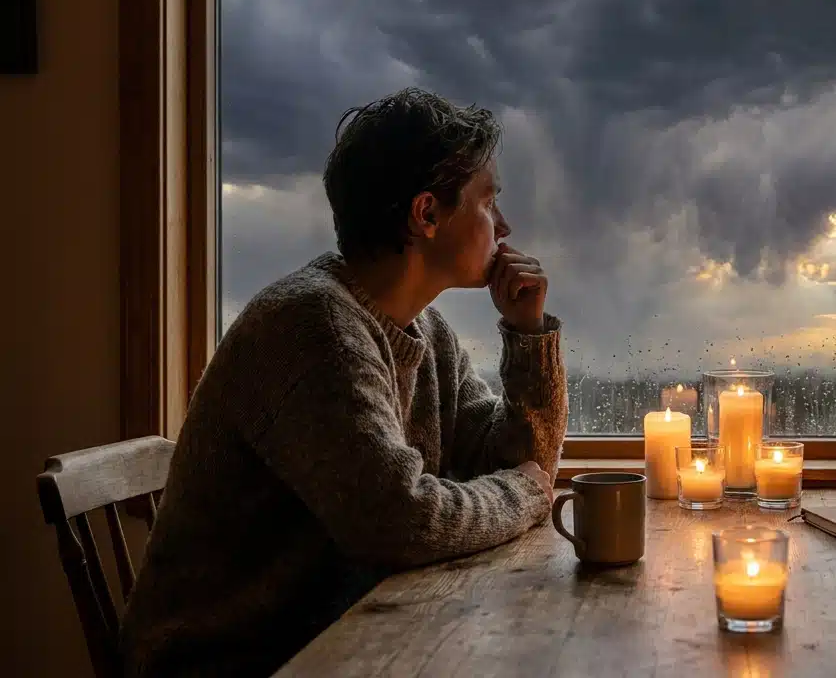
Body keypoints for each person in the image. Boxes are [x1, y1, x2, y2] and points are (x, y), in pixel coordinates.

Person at [119, 88, 566, 677]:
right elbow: (398, 520)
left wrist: (528, 333)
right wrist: (521, 495)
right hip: (226, 662)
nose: (504, 227)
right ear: (426, 214)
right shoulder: (312, 326)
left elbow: (524, 460)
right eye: (488, 203)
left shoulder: (423, 330)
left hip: (332, 639)